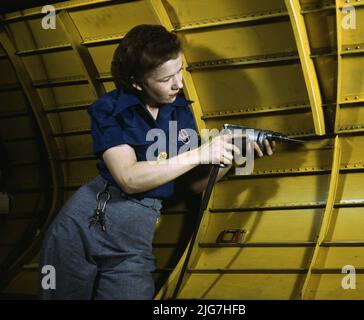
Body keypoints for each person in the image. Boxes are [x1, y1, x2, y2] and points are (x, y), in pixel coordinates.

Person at [39, 24, 275, 300]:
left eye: (180, 71)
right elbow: (128, 179)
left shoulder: (180, 111)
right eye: (165, 79)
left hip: (133, 237)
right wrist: (200, 153)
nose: (178, 84)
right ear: (137, 82)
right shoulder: (109, 109)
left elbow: (195, 185)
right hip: (81, 225)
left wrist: (230, 156)